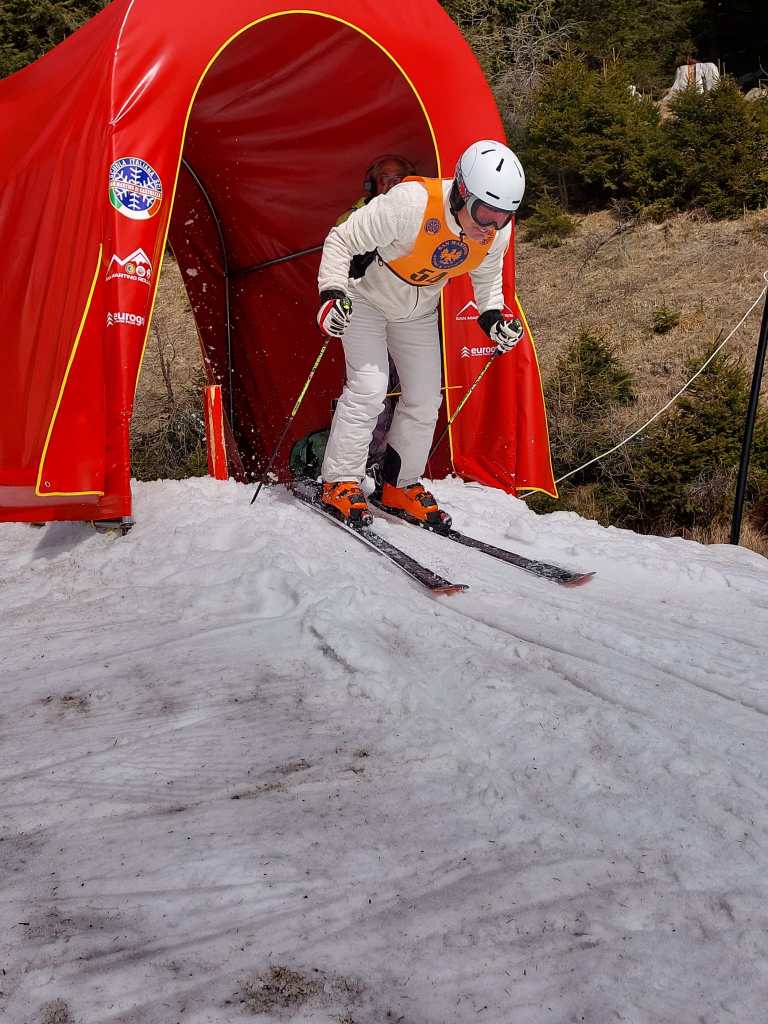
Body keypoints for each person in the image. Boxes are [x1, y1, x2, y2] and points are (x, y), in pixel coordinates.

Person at [316, 139, 525, 529]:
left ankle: (398, 484)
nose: (489, 226)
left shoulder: (496, 232)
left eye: (502, 217)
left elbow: (487, 280)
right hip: (367, 301)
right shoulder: (411, 203)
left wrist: (494, 318)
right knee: (369, 388)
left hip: (417, 311)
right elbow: (341, 238)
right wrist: (332, 294)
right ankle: (339, 480)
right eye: (484, 212)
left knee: (426, 398)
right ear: (461, 192)